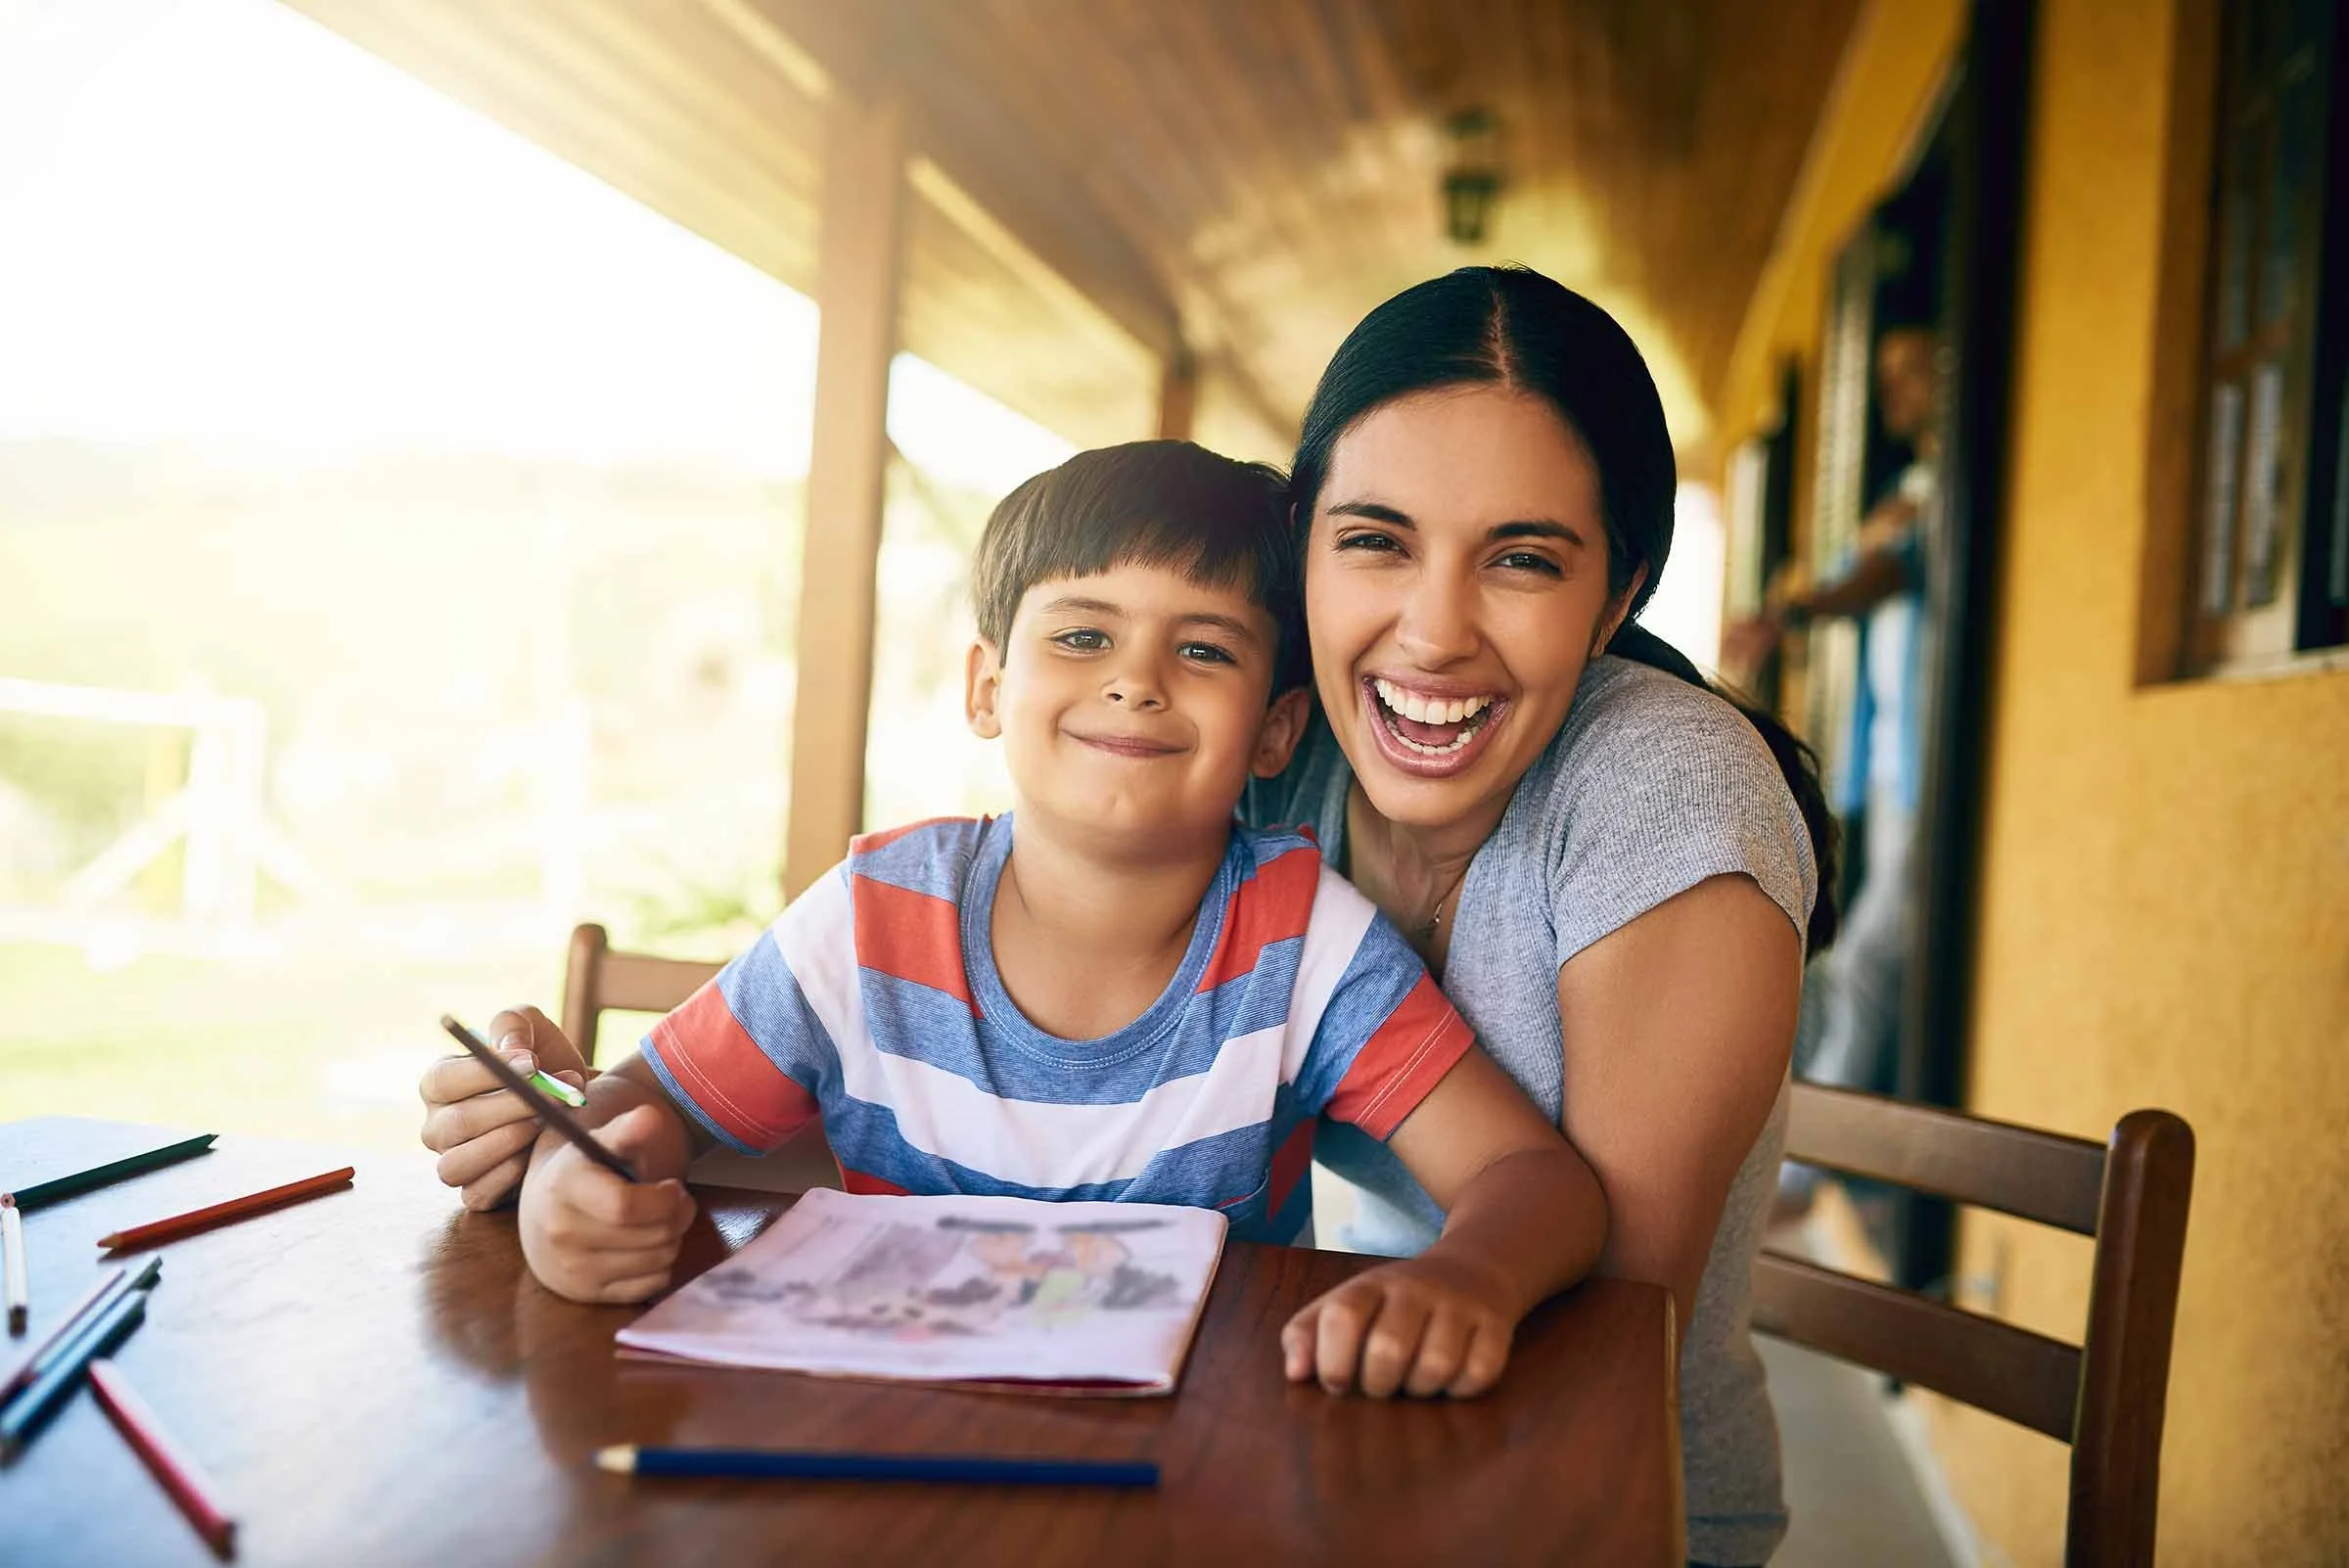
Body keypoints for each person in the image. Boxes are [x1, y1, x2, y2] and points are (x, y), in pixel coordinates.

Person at [418, 440, 1608, 1400]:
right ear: (991, 687)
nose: (1135, 679)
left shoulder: (1304, 944)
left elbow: (1534, 1179)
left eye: (1202, 649)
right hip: (873, 1441)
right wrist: (576, 1192)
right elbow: (644, 1114)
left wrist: (1471, 1276)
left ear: (1275, 732)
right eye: (1083, 635)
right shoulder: (874, 917)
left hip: (1193, 1473)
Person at [1245, 265, 1836, 1568]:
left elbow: (1612, 1341)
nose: (1435, 631)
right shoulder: (1275, 760)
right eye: (1376, 540)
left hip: (1609, 1504)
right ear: (1305, 548)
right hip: (1337, 1444)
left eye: (1521, 559)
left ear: (1614, 596)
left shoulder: (1667, 792)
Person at [1724, 325, 1938, 1166]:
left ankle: (1820, 1160)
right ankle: (1813, 1151)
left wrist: (1794, 613)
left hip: (1923, 771)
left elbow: (1880, 575)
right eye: (1882, 378)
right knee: (1849, 953)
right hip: (1886, 763)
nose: (1891, 396)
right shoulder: (1902, 490)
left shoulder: (1940, 491)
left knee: (1876, 954)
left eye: (1906, 373)